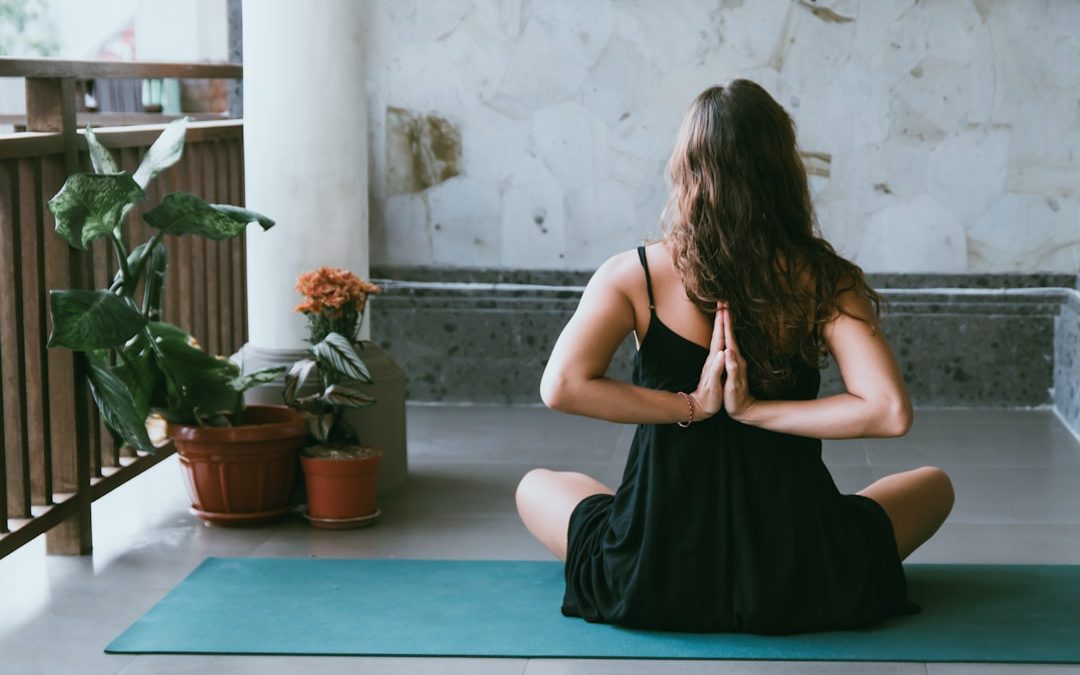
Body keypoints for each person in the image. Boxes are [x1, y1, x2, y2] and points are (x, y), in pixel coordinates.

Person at [514, 80, 955, 635]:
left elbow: (561, 387)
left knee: (536, 485)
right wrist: (755, 411)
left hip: (653, 573)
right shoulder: (823, 279)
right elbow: (889, 412)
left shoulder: (634, 275)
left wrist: (694, 406)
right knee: (935, 483)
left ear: (687, 169)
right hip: (802, 574)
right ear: (782, 171)